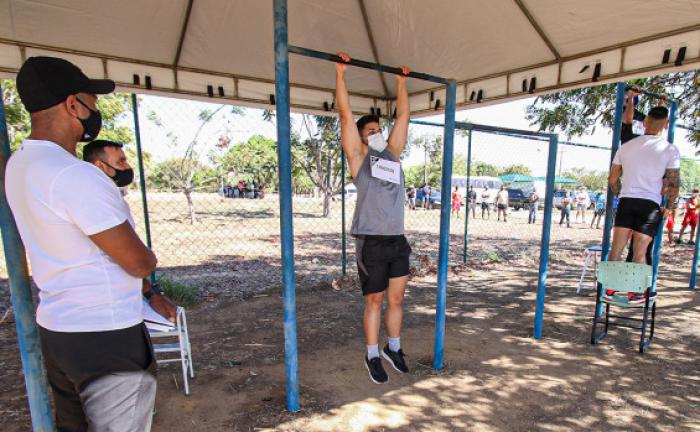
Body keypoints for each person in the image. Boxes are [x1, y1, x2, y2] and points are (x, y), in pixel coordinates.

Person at [6, 56, 170, 431]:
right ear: (72, 104)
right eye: (91, 100)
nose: (95, 109)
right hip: (106, 336)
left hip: (59, 330)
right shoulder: (75, 175)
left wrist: (150, 290)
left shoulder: (19, 165)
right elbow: (137, 261)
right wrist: (149, 259)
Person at [336, 51, 411, 384]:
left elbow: (404, 117)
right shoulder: (358, 160)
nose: (377, 133)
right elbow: (344, 114)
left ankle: (393, 348)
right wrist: (341, 75)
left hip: (396, 239)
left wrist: (401, 82)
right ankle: (371, 353)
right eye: (371, 130)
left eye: (379, 128)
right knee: (375, 300)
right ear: (362, 136)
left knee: (396, 298)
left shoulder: (392, 154)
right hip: (371, 240)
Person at [608, 103, 680, 266]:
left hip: (627, 201)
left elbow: (612, 178)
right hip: (650, 204)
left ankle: (609, 289)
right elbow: (674, 183)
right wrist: (669, 207)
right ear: (666, 124)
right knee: (640, 252)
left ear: (644, 122)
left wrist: (621, 193)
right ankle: (636, 292)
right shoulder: (670, 150)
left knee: (616, 250)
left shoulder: (626, 147)